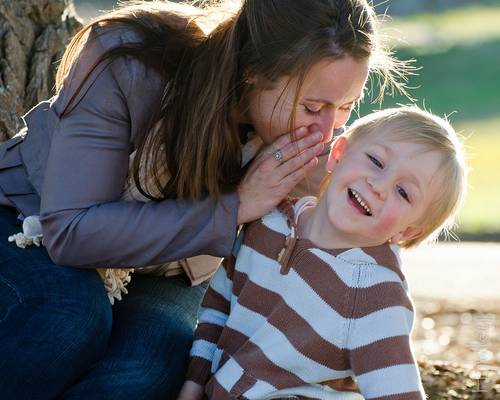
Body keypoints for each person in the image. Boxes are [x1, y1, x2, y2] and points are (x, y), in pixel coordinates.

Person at [0, 0, 406, 398]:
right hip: (28, 222)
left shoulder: (310, 145)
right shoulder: (132, 61)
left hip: (173, 270)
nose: (327, 130)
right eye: (313, 107)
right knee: (70, 317)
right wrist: (237, 207)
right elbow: (71, 230)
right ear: (252, 73)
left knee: (153, 365)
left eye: (345, 108)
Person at [180, 106, 467, 400]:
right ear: (338, 154)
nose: (379, 186)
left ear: (406, 232)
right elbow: (217, 308)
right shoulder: (269, 222)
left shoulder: (375, 295)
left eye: (403, 192)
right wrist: (193, 386)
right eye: (376, 161)